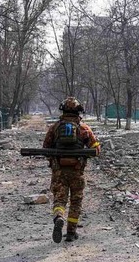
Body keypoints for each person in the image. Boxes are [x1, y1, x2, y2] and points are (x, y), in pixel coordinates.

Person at [42, 97, 100, 243]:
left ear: (63, 110)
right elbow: (96, 149)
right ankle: (71, 233)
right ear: (78, 111)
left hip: (59, 172)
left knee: (59, 200)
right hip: (77, 172)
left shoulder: (55, 127)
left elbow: (45, 148)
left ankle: (59, 217)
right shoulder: (84, 129)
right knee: (76, 202)